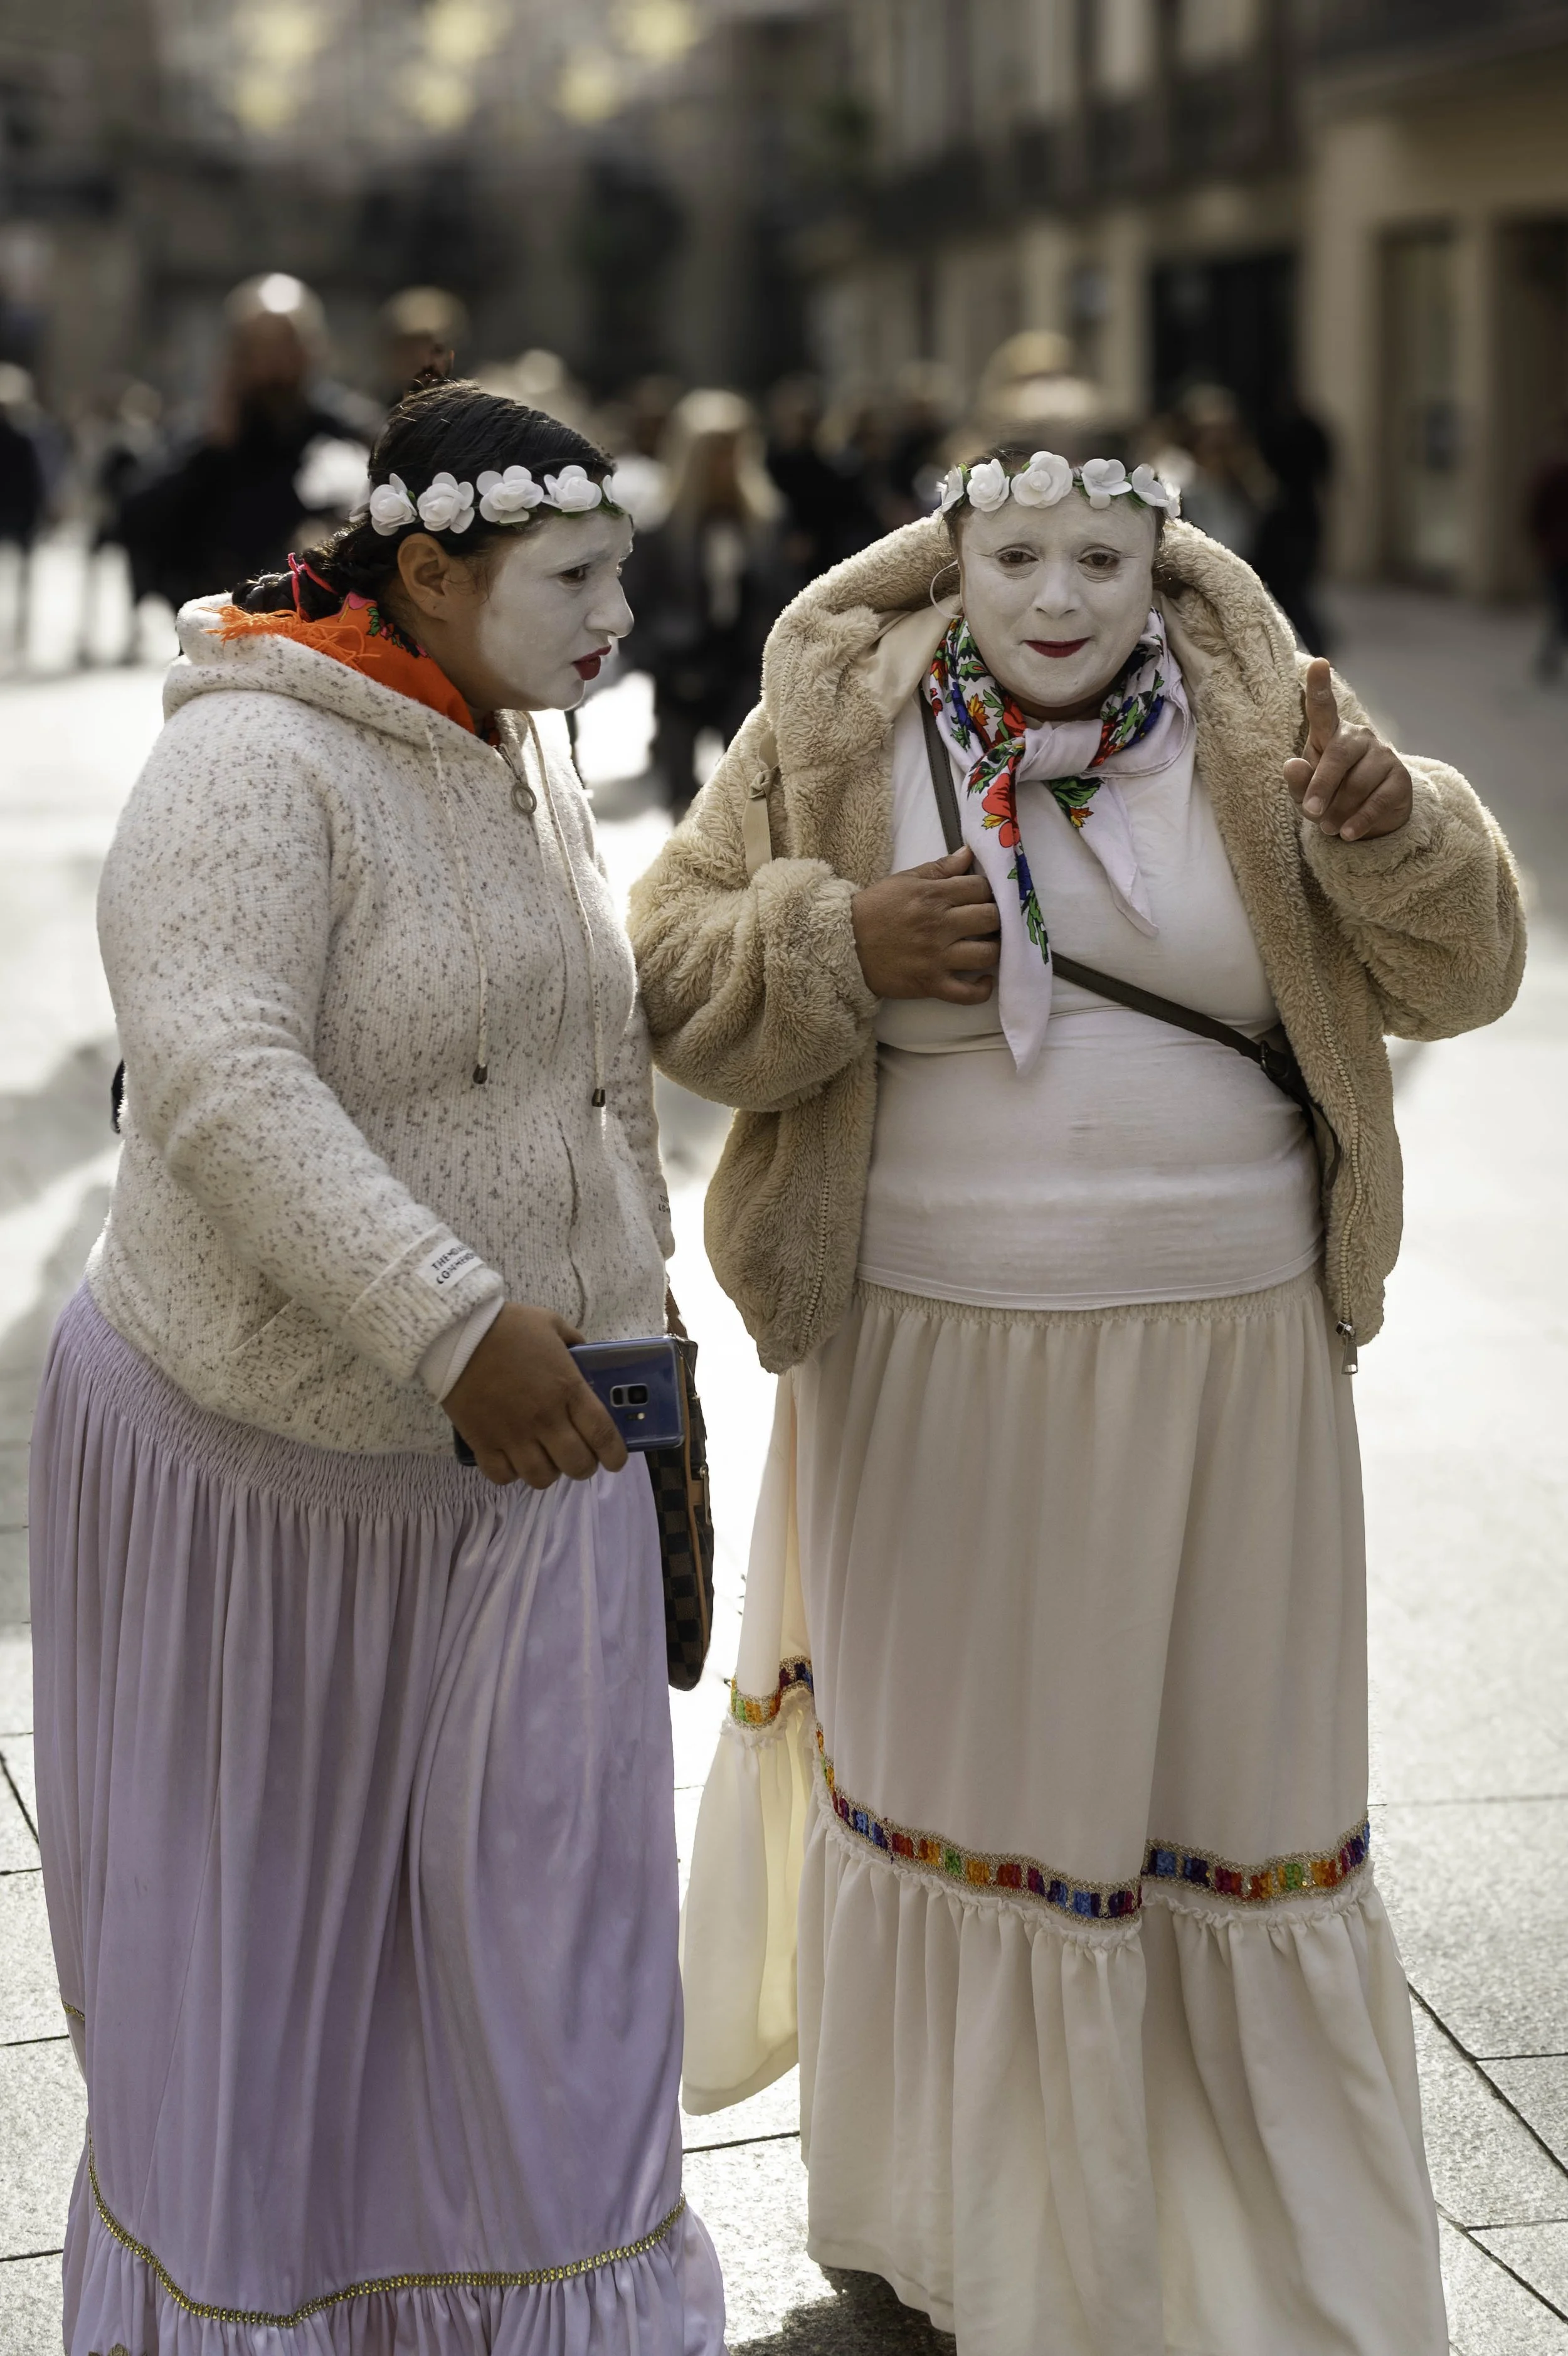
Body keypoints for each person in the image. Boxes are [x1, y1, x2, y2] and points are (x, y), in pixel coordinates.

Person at [628, 447, 1524, 2355]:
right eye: (1016, 554)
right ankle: (947, 2239)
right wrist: (832, 945)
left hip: (1230, 1375)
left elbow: (1463, 974)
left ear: (1163, 563)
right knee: (965, 1791)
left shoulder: (1268, 723)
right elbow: (664, 963)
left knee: (1229, 1796)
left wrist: (1399, 826)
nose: (1055, 595)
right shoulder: (838, 723)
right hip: (923, 1361)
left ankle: (1254, 2242)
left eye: (1100, 557)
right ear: (947, 563)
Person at [31, 376, 725, 2354]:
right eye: (572, 575)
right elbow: (225, 1085)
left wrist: (822, 954)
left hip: (528, 1464)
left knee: (547, 1972)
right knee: (271, 1972)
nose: (614, 616)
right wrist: (451, 1325)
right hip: (272, 1473)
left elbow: (564, 1017)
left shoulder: (521, 734)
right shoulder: (249, 767)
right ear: (427, 569)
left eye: (626, 572)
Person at [118, 273, 373, 617]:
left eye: (286, 344)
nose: (273, 363)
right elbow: (137, 518)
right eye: (258, 347)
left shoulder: (348, 431)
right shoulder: (209, 442)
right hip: (227, 624)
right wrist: (212, 449)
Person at [623, 388, 787, 817]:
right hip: (680, 675)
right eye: (716, 454)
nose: (726, 466)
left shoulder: (764, 522)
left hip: (742, 672)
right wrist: (662, 663)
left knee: (752, 793)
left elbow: (778, 598)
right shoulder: (661, 528)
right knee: (682, 800)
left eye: (734, 453)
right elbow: (634, 608)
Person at [1527, 411, 1568, 679]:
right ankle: (1547, 659)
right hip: (1559, 555)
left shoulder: (1552, 470)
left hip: (1555, 552)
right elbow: (1536, 515)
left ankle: (1547, 659)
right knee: (1561, 608)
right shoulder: (1554, 472)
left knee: (1561, 609)